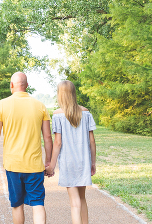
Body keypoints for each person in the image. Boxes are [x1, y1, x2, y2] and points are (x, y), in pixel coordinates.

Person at [0, 72, 53, 224]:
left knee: (17, 205)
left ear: (11, 85)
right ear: (27, 86)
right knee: (38, 203)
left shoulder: (2, 105)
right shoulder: (40, 106)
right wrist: (48, 161)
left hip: (13, 164)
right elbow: (47, 137)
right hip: (34, 165)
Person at [45, 80, 97, 224]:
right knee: (82, 199)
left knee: (74, 203)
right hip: (83, 161)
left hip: (68, 162)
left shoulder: (57, 115)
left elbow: (58, 143)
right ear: (73, 93)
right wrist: (93, 162)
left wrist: (51, 166)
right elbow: (92, 141)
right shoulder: (86, 113)